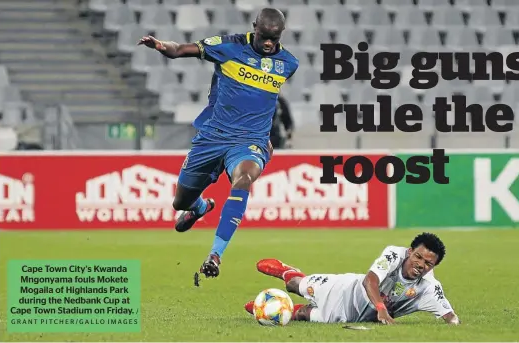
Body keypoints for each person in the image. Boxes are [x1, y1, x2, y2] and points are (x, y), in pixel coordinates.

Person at [137, 8, 299, 284]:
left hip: (250, 142)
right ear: (254, 28)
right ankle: (199, 208)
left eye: (275, 38)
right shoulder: (228, 47)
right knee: (181, 201)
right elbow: (181, 50)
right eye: (264, 36)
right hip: (212, 137)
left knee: (244, 179)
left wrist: (264, 140)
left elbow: (263, 100)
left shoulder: (288, 63)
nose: (269, 43)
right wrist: (163, 46)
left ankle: (215, 254)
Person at [244, 232, 460, 325]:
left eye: (428, 263)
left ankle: (268, 309)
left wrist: (454, 325)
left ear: (434, 266)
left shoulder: (430, 287)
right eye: (418, 257)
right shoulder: (394, 254)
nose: (420, 264)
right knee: (295, 285)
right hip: (343, 289)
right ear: (410, 251)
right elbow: (370, 280)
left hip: (349, 317)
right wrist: (381, 308)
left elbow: (450, 316)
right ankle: (287, 271)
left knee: (301, 315)